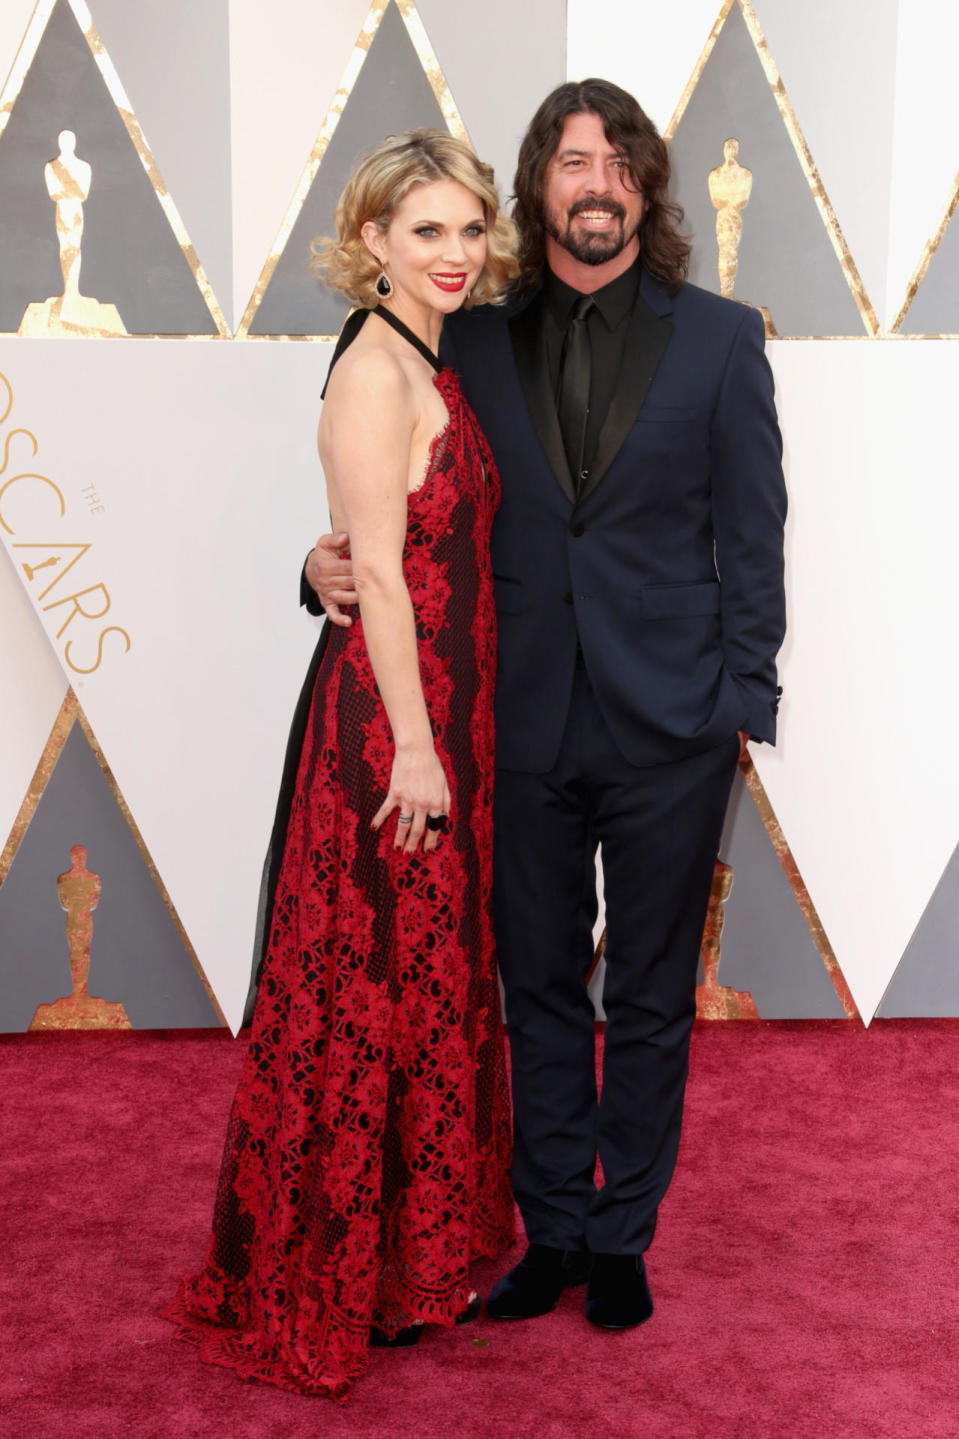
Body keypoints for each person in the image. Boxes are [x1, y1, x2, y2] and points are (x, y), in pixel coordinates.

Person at [307, 80, 787, 1334]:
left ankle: (621, 1234)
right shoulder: (457, 334)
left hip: (672, 724)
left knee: (646, 993)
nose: (593, 182)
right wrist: (314, 569)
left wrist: (739, 700)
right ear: (540, 183)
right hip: (505, 720)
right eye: (571, 160)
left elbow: (755, 536)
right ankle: (551, 1233)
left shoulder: (723, 338)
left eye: (616, 161)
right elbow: (396, 507)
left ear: (644, 185)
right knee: (530, 988)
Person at [164, 129, 517, 1401]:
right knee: (367, 986)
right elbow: (373, 568)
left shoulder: (428, 350)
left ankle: (397, 1272)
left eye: (470, 228)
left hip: (440, 717)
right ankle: (337, 1274)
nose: (456, 253)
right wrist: (416, 748)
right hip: (392, 730)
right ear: (369, 239)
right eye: (425, 230)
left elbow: (387, 548)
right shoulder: (373, 369)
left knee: (412, 981)